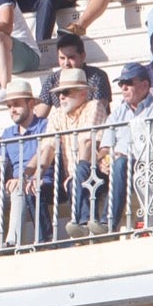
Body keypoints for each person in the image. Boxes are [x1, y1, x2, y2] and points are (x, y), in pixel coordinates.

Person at [97, 63, 153, 233]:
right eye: (121, 84)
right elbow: (104, 147)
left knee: (121, 163)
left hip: (147, 163)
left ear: (145, 85)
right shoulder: (118, 113)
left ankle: (108, 222)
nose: (123, 87)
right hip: (118, 167)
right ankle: (85, 227)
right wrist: (103, 160)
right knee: (82, 174)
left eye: (129, 83)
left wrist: (123, 156)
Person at [31, 69, 109, 239]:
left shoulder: (94, 106)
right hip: (73, 177)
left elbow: (87, 144)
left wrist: (78, 173)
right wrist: (37, 175)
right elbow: (48, 148)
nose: (61, 97)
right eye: (59, 93)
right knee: (33, 188)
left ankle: (83, 223)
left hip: (98, 170)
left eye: (66, 92)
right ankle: (50, 238)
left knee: (79, 175)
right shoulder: (57, 114)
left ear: (82, 93)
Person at [0, 79, 55, 244]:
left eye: (16, 104)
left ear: (31, 103)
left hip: (42, 181)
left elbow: (43, 153)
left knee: (20, 188)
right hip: (17, 185)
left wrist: (22, 178)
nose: (12, 110)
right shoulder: (8, 133)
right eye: (9, 106)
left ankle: (12, 242)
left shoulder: (45, 125)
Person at [34, 33, 111, 119]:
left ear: (83, 56)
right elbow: (39, 116)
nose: (66, 63)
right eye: (62, 58)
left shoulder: (97, 76)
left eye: (71, 57)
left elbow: (98, 110)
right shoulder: (52, 80)